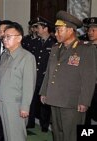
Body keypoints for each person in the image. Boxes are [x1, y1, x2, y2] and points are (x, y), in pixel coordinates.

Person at [39, 11, 96, 141]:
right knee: (57, 133)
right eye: (56, 30)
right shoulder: (55, 48)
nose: (56, 33)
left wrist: (84, 101)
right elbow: (49, 71)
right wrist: (44, 91)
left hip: (72, 102)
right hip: (55, 98)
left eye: (60, 30)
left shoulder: (85, 49)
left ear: (70, 30)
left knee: (71, 135)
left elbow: (89, 78)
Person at [0, 22, 36, 141]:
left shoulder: (27, 57)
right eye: (4, 37)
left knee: (16, 136)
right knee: (8, 135)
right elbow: (1, 80)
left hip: (16, 105)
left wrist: (25, 106)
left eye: (9, 37)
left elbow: (29, 85)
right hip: (3, 102)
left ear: (19, 38)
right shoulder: (5, 55)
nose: (5, 39)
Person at [27, 16, 57, 132]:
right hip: (34, 76)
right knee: (31, 100)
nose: (36, 29)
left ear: (45, 29)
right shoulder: (34, 42)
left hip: (46, 78)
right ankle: (30, 122)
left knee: (44, 102)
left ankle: (44, 125)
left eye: (38, 27)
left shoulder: (54, 43)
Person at [84, 17, 97, 125]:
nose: (90, 33)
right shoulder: (83, 46)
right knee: (85, 115)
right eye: (89, 30)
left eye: (93, 30)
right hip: (86, 86)